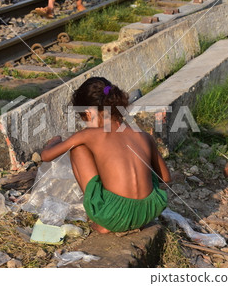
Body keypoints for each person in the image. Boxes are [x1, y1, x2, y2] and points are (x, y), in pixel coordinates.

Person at [41, 77, 170, 233]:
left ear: (89, 114)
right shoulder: (143, 135)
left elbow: (46, 156)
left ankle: (101, 221)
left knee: (78, 148)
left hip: (112, 217)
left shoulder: (89, 135)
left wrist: (54, 141)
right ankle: (133, 213)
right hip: (150, 210)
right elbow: (166, 178)